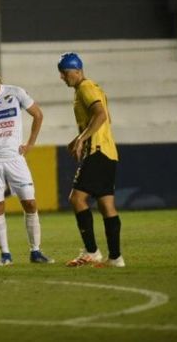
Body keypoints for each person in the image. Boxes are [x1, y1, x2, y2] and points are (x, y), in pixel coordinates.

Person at [0, 67, 53, 266]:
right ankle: (5, 254)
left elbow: (38, 115)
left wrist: (31, 143)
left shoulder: (15, 93)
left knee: (30, 203)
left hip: (14, 158)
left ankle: (35, 251)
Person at [58, 52, 124, 267]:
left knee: (76, 199)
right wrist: (78, 138)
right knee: (106, 205)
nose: (63, 78)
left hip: (97, 151)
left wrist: (82, 138)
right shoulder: (88, 87)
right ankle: (115, 258)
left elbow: (101, 114)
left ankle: (92, 251)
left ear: (77, 71)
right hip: (107, 152)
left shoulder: (85, 88)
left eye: (65, 73)